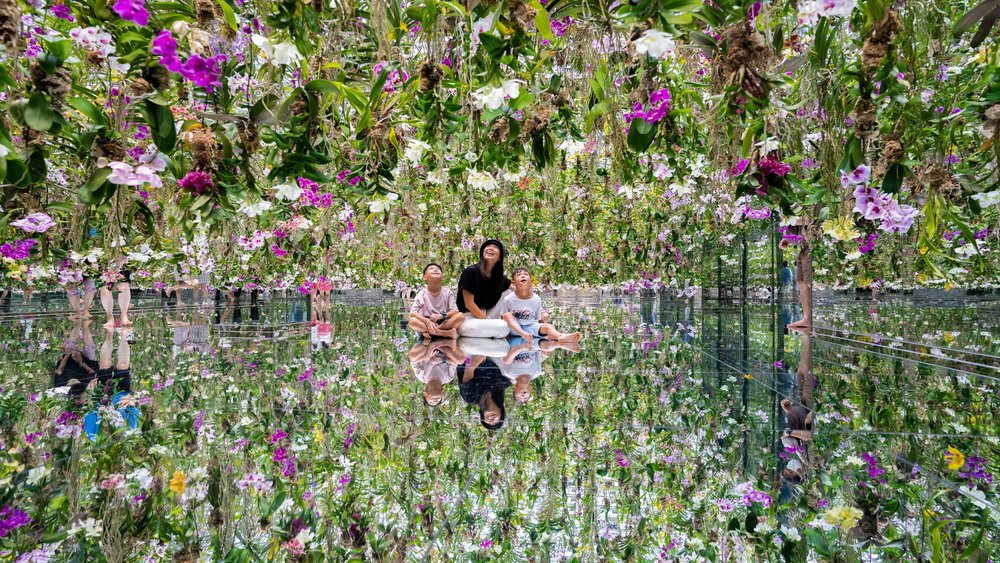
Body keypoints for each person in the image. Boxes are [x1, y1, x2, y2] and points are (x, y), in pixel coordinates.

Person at [499, 268, 581, 343]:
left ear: (531, 281)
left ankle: (561, 336)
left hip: (530, 327)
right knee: (507, 315)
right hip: (515, 329)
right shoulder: (508, 299)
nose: (523, 276)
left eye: (525, 274)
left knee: (549, 327)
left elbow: (539, 321)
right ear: (513, 282)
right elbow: (503, 318)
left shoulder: (536, 299)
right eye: (519, 275)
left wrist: (544, 320)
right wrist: (505, 334)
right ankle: (523, 334)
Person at [456, 240, 514, 338]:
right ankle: (497, 330)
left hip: (489, 316)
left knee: (508, 292)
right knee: (502, 327)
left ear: (500, 257)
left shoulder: (498, 278)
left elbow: (518, 291)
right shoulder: (471, 271)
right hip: (470, 317)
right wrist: (487, 321)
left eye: (495, 247)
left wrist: (538, 311)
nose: (490, 248)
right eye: (488, 246)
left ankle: (496, 330)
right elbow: (469, 304)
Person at [408, 263, 465, 339]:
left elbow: (455, 311)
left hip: (443, 323)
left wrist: (442, 315)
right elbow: (413, 313)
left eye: (438, 269)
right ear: (425, 277)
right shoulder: (421, 294)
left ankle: (432, 332)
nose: (435, 270)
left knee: (461, 316)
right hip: (426, 322)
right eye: (431, 269)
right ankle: (444, 333)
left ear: (443, 277)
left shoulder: (448, 293)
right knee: (412, 321)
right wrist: (427, 321)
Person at [408, 339, 465, 406]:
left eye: (431, 401)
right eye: (438, 400)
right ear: (442, 392)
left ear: (425, 393)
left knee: (412, 356)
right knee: (461, 360)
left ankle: (435, 343)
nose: (434, 400)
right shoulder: (448, 377)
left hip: (426, 348)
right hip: (445, 349)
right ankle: (438, 343)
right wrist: (443, 360)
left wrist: (427, 356)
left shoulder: (421, 376)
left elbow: (413, 361)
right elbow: (455, 363)